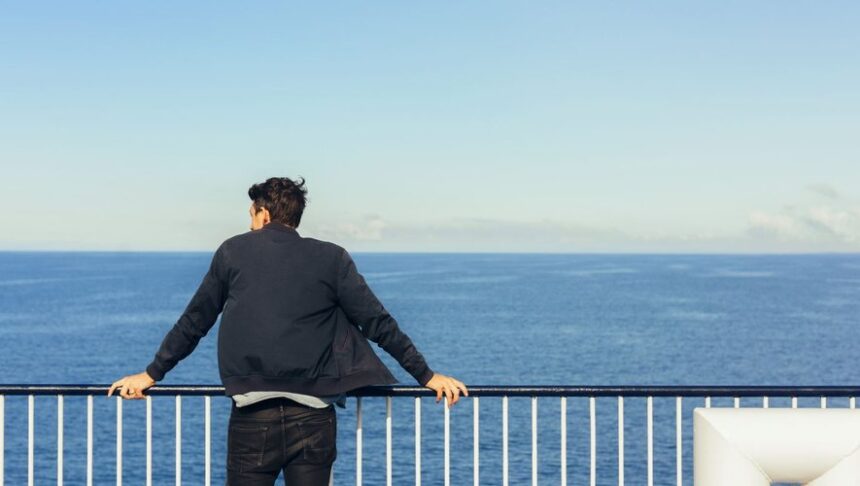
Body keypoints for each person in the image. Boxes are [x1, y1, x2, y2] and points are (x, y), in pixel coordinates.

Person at [108, 176, 468, 485]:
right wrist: (426, 375)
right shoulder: (332, 257)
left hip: (253, 417)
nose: (250, 224)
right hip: (314, 417)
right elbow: (377, 322)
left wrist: (151, 374)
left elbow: (195, 321)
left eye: (251, 214)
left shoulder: (232, 252)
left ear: (263, 214)